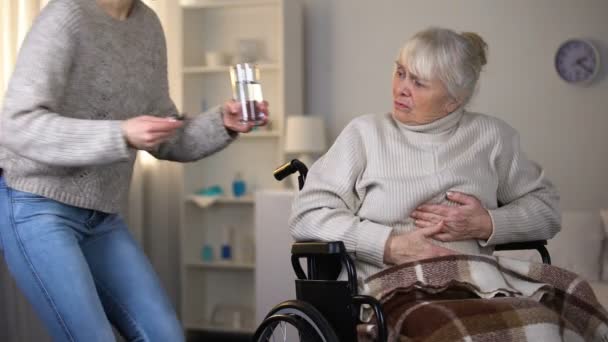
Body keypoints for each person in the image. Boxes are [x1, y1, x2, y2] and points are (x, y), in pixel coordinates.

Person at [0, 0, 267, 341]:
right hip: (36, 207)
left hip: (102, 217)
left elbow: (164, 135)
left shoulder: (148, 25)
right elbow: (17, 126)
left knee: (166, 336)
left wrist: (222, 123)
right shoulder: (65, 16)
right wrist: (121, 133)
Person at [289, 27, 560, 288]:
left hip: (477, 286)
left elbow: (547, 211)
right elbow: (307, 215)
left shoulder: (492, 136)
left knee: (561, 314)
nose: (401, 89)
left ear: (453, 101)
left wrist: (486, 223)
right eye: (400, 72)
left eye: (418, 82)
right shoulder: (364, 134)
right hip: (390, 289)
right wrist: (389, 245)